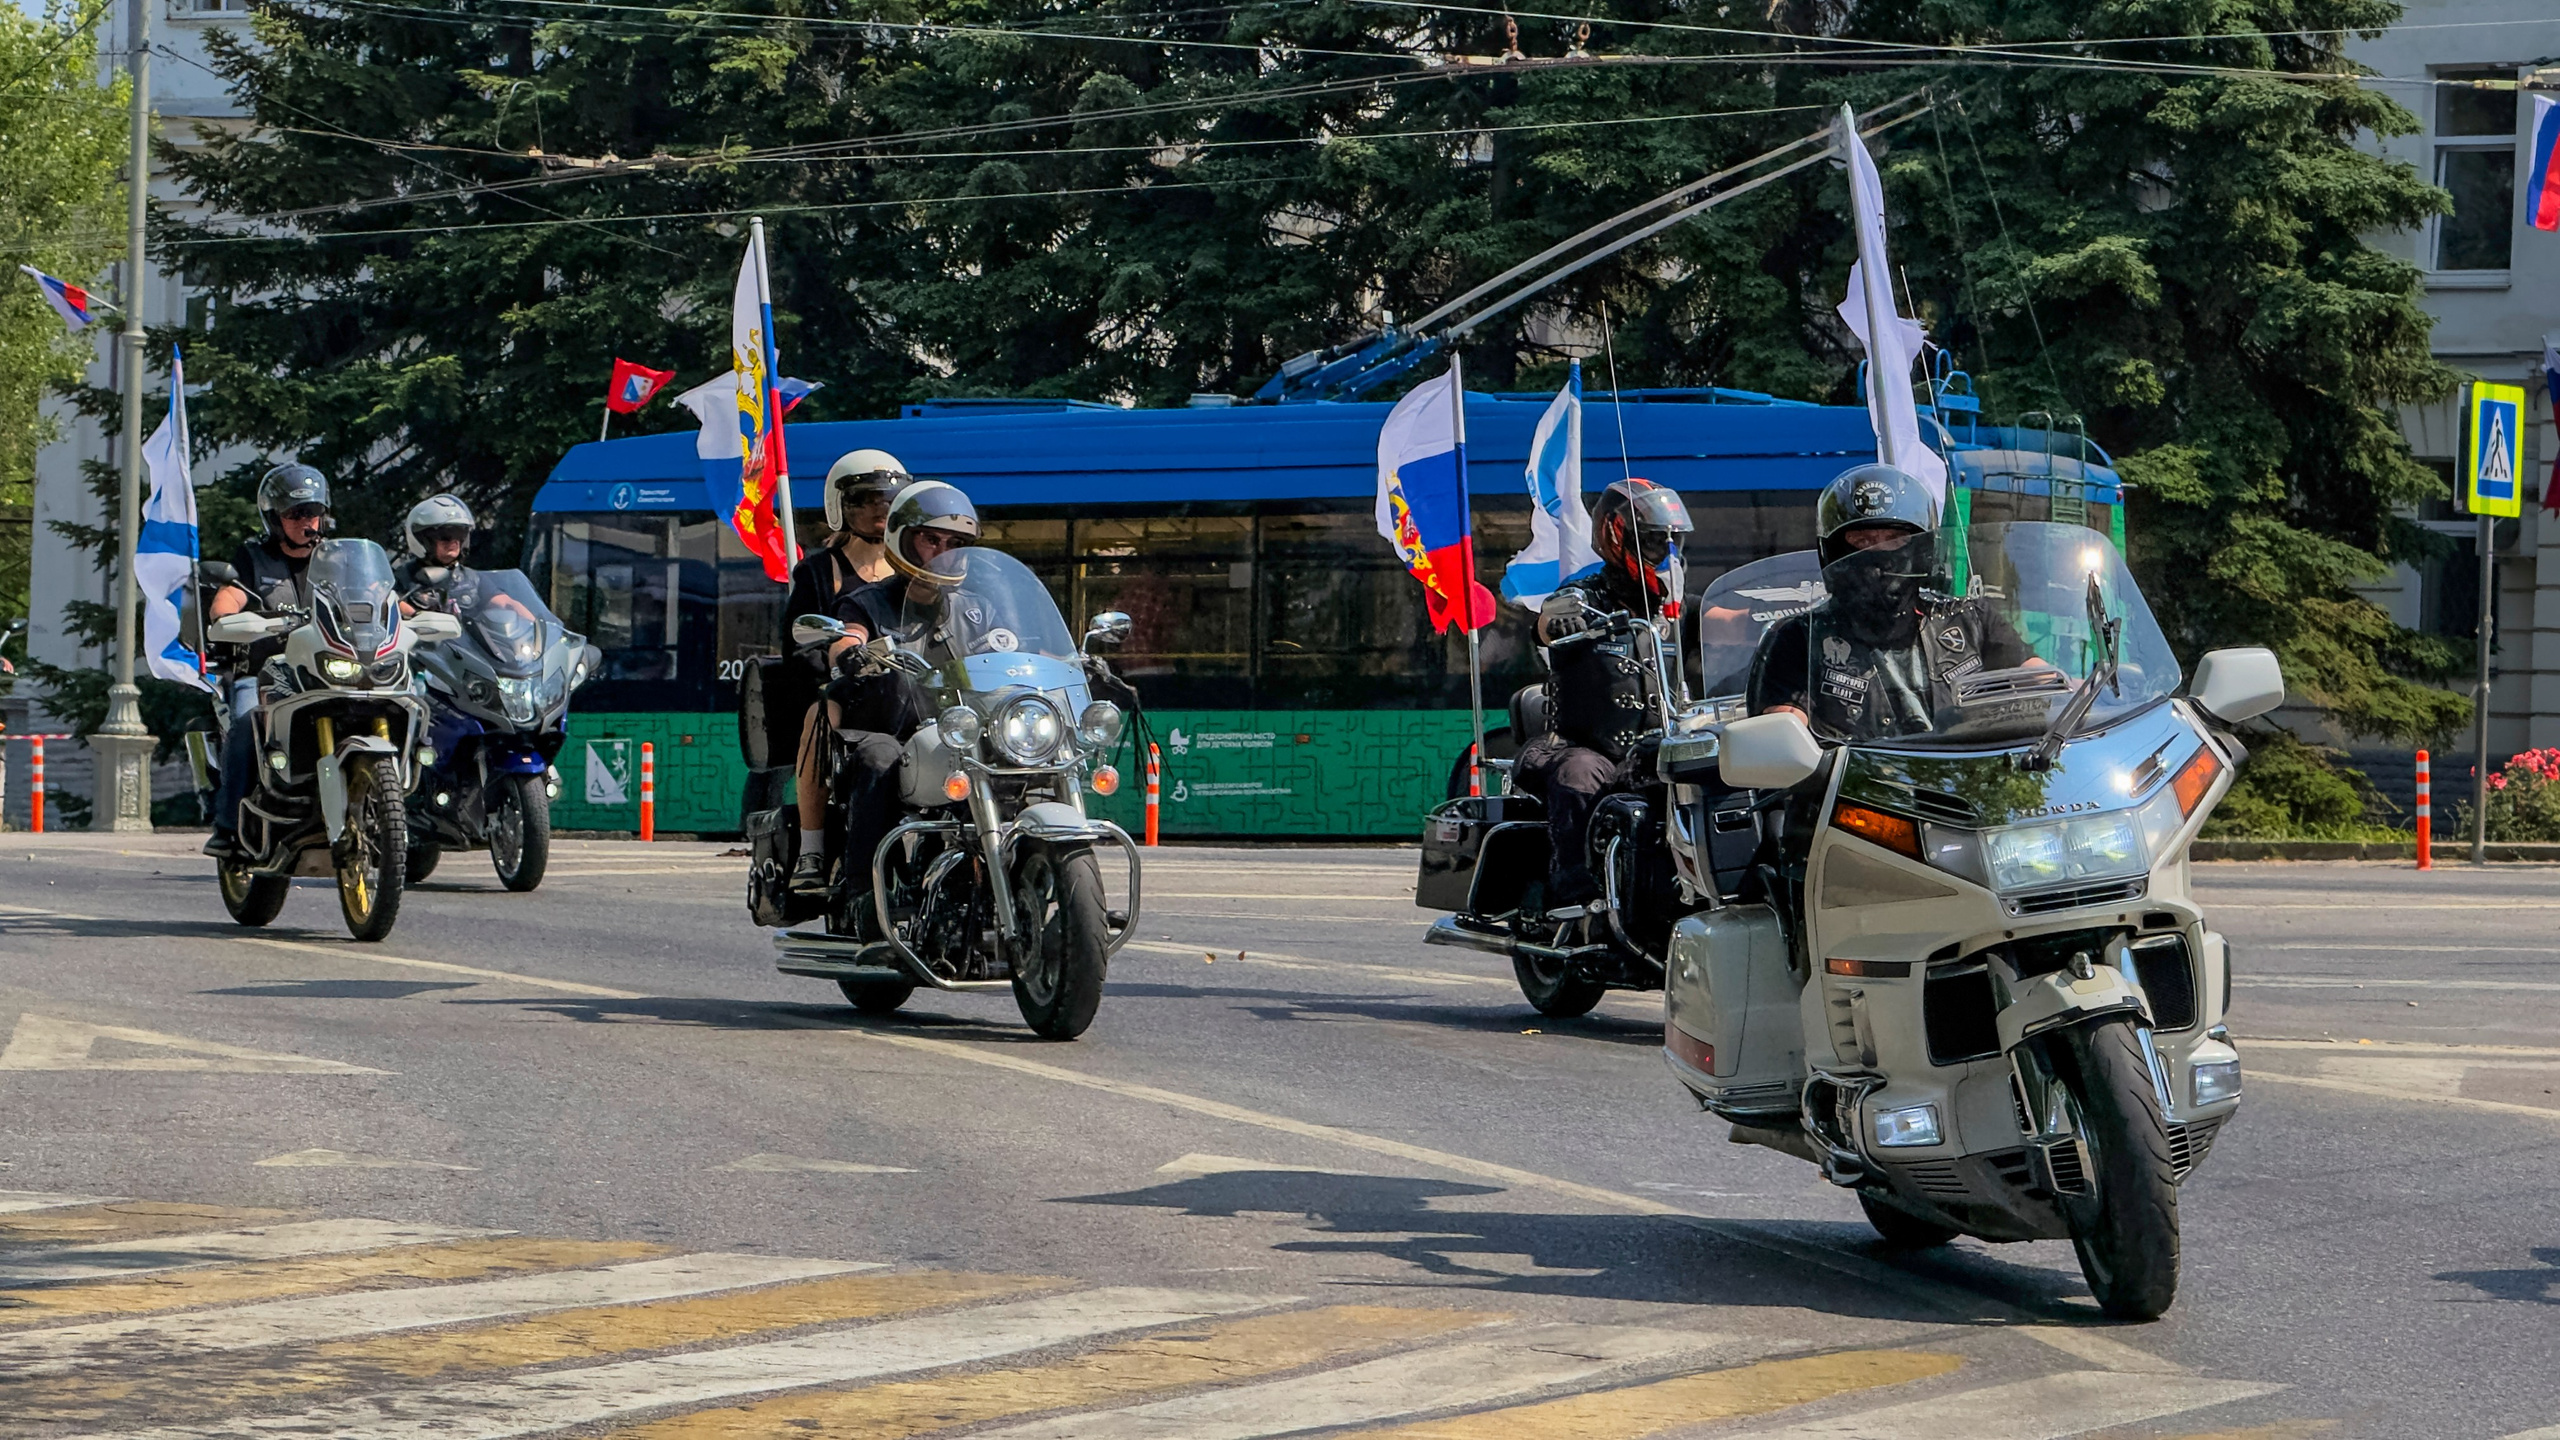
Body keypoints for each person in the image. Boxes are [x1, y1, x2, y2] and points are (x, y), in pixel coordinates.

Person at [1749, 463, 2037, 740]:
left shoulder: (1970, 619)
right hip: (1857, 773)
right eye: (1862, 541)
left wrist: (2066, 708)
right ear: (1835, 551)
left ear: (1922, 550)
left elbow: (2042, 680)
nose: (1879, 552)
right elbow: (1781, 736)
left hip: (1960, 769)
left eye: (1895, 539)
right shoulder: (1801, 639)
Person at [1509, 478, 1694, 909]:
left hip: (1658, 747)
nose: (1666, 551)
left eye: (1672, 540)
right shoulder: (1583, 597)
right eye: (1654, 540)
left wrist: (1775, 615)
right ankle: (1576, 897)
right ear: (1618, 537)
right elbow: (1543, 627)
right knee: (1579, 775)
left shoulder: (1679, 609)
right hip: (1586, 745)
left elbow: (1731, 622)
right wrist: (1556, 622)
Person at [790, 480, 981, 895]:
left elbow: (1014, 645)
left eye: (955, 543)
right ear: (904, 541)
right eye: (931, 539)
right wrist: (849, 651)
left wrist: (1065, 660)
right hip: (888, 728)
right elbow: (848, 634)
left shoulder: (975, 608)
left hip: (957, 731)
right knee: (878, 758)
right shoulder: (868, 601)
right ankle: (862, 889)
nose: (944, 551)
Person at [203, 463, 333, 859]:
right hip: (266, 674)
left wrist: (405, 612)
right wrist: (226, 616)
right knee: (248, 721)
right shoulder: (253, 558)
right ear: (275, 518)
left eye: (313, 512)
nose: (306, 521)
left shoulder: (336, 558)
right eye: (295, 513)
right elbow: (228, 598)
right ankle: (228, 826)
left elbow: (379, 594)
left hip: (326, 671)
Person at [393, 493, 532, 622]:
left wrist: (537, 625)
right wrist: (414, 615)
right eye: (445, 536)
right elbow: (386, 604)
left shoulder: (472, 579)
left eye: (460, 534)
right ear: (423, 539)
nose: (454, 542)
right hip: (422, 640)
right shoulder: (402, 577)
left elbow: (506, 602)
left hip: (469, 641)